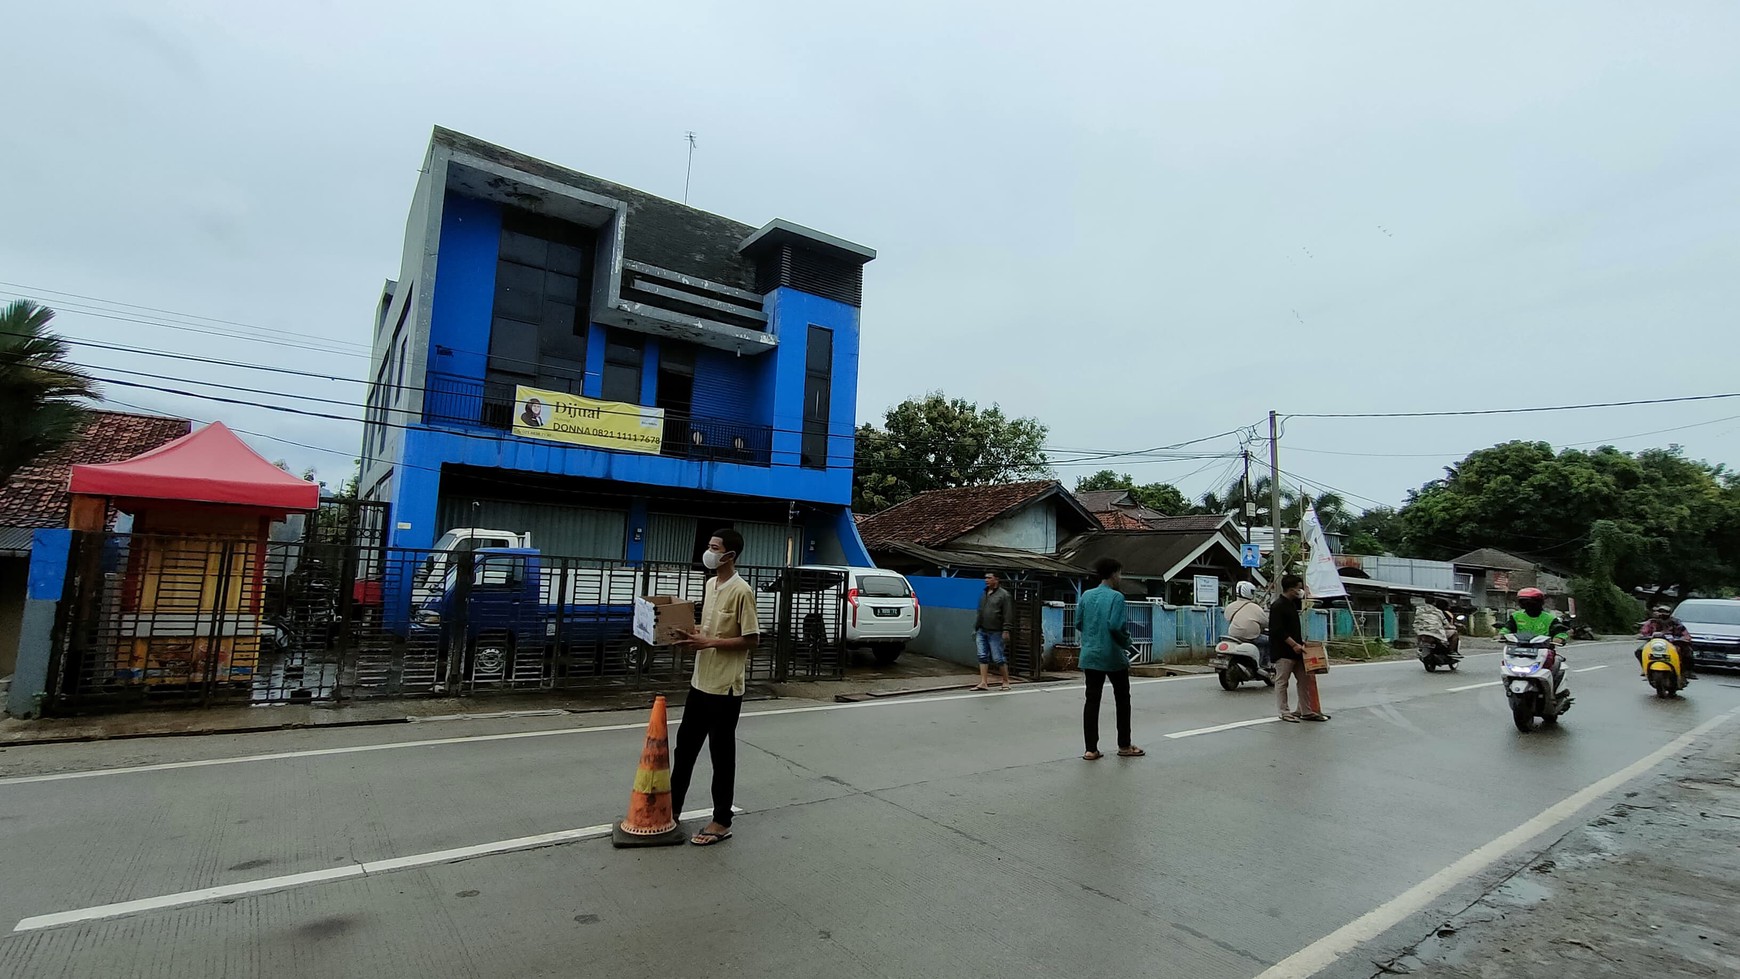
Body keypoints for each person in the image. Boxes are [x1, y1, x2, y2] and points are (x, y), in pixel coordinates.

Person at [671, 528, 761, 846]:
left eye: (714, 547)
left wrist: (708, 641)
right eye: (709, 546)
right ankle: (672, 812)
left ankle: (722, 820)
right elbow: (707, 630)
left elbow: (752, 639)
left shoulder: (742, 591)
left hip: (725, 689)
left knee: (721, 755)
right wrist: (690, 636)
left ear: (729, 555)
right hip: (700, 682)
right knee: (684, 750)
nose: (708, 552)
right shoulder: (710, 584)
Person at [1076, 557, 1143, 760]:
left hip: (1090, 654)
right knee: (1122, 699)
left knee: (1092, 700)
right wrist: (1126, 642)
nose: (1120, 577)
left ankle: (1091, 749)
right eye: (1120, 573)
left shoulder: (1086, 595)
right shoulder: (1116, 597)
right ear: (1113, 574)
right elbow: (1115, 626)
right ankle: (1124, 745)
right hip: (1112, 655)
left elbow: (1078, 622)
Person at [1271, 574, 1327, 722]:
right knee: (1282, 682)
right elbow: (1278, 630)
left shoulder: (1292, 604)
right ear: (1291, 589)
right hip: (1283, 651)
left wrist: (1300, 644)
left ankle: (1305, 710)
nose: (1301, 590)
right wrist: (1294, 644)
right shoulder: (1278, 606)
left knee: (1304, 680)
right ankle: (1284, 712)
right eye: (1299, 588)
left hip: (1298, 650)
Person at [973, 571, 1015, 692]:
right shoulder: (984, 593)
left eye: (989, 578)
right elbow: (980, 611)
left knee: (998, 658)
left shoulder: (1004, 595)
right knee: (982, 656)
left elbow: (1008, 614)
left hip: (996, 631)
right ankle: (983, 682)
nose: (986, 580)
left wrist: (1006, 629)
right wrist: (976, 627)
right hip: (982, 629)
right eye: (985, 578)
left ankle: (1006, 681)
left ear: (996, 579)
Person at [1638, 604, 1695, 681]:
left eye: (1665, 612)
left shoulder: (1676, 622)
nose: (1662, 614)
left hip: (1673, 644)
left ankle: (1687, 671)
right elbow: (1644, 632)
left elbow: (1685, 634)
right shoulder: (1651, 622)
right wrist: (1645, 635)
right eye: (1660, 612)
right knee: (1640, 651)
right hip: (1654, 644)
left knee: (1687, 651)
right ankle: (1646, 669)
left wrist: (1683, 639)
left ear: (1669, 613)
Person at [1223, 581, 1271, 664]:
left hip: (1233, 635)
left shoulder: (1230, 606)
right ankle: (1263, 664)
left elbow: (1227, 618)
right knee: (1268, 641)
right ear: (1249, 592)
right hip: (1251, 637)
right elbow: (1266, 623)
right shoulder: (1255, 607)